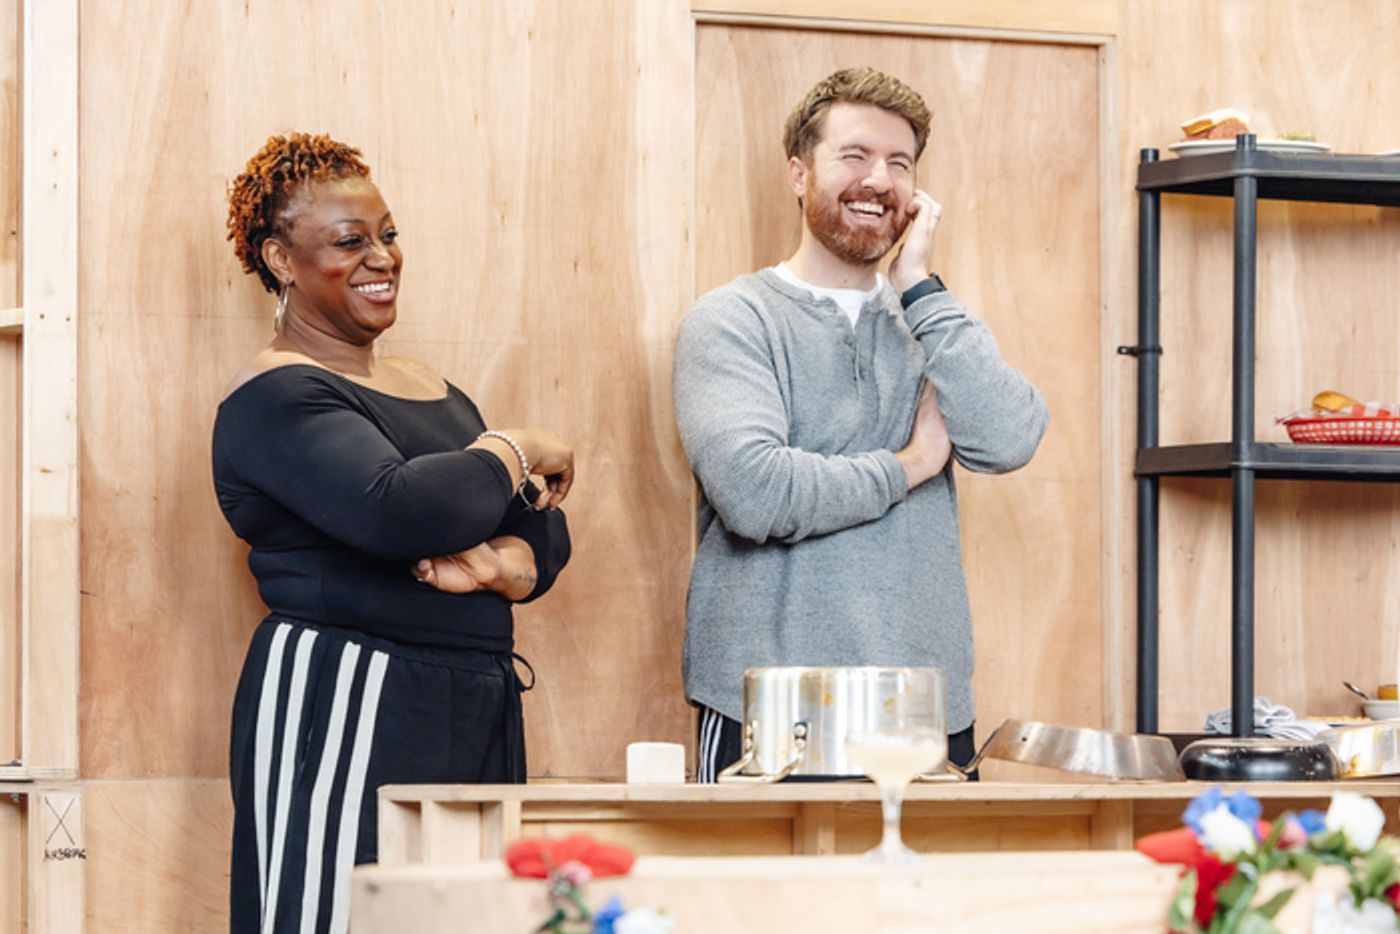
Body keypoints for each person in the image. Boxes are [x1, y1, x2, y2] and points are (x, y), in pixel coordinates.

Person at [215, 133, 573, 933]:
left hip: (471, 694)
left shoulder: (436, 392)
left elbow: (544, 532)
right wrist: (515, 448)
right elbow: (401, 509)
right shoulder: (275, 396)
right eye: (349, 242)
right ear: (279, 259)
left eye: (388, 234)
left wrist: (501, 568)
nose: (382, 257)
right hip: (347, 691)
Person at [673, 67, 1048, 782]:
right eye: (854, 156)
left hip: (922, 711)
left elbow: (1009, 438)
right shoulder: (732, 320)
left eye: (899, 164)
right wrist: (910, 464)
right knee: (766, 898)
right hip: (769, 706)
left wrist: (917, 287)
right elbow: (757, 493)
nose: (878, 179)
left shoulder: (933, 324)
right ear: (798, 172)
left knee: (922, 898)